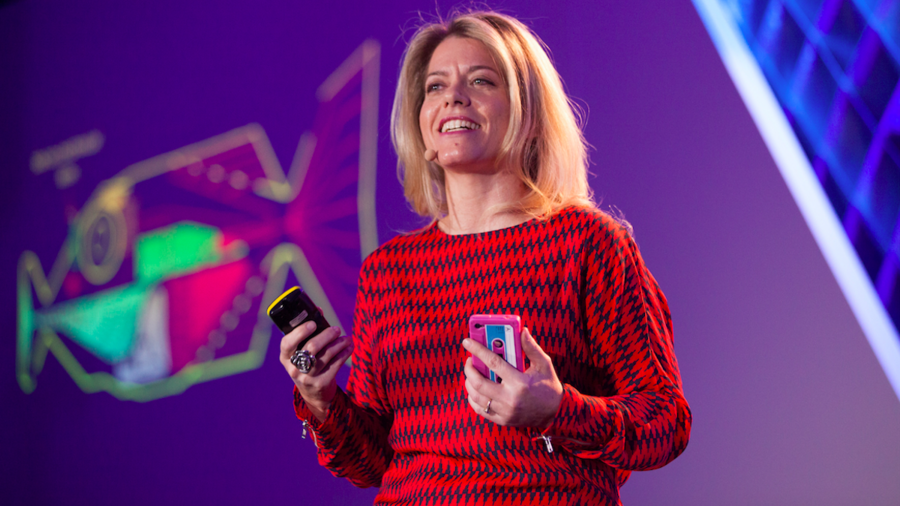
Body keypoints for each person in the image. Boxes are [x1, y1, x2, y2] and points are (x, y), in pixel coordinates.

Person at [279, 10, 691, 506]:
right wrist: (321, 400)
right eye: (435, 87)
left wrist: (557, 410)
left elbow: (665, 423)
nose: (453, 96)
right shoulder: (388, 271)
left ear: (528, 114)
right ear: (422, 129)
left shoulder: (588, 243)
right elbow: (373, 462)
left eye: (481, 80)